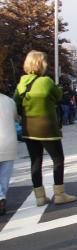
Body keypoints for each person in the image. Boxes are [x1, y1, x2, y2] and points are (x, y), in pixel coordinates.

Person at [14, 50, 77, 206]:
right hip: (47, 127)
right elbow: (59, 96)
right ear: (39, 64)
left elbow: (16, 104)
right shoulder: (46, 82)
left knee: (35, 161)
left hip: (29, 128)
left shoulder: (21, 83)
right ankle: (59, 194)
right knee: (57, 159)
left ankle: (40, 197)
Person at [0, 83, 18, 215]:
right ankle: (1, 197)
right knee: (5, 175)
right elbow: (15, 118)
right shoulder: (9, 101)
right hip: (9, 142)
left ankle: (1, 197)